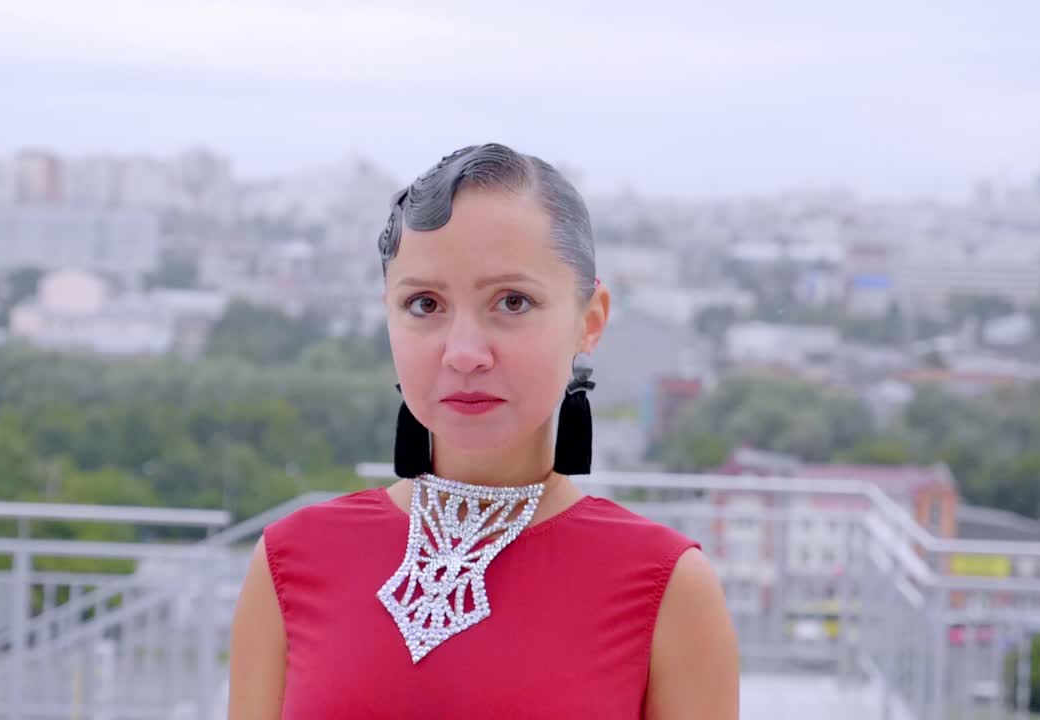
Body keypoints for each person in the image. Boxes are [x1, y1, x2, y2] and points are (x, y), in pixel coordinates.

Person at [229, 143, 739, 718]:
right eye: (425, 304)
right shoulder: (290, 562)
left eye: (512, 301)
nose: (464, 353)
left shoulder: (666, 590)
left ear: (589, 321)